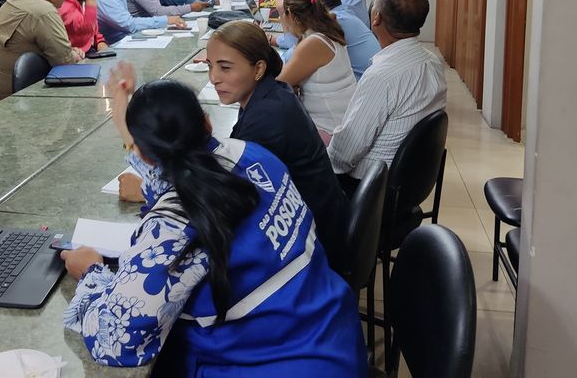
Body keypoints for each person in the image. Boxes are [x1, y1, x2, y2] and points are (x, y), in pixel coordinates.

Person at [62, 64, 365, 375]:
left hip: (273, 365)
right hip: (336, 337)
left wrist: (91, 273)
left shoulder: (173, 229)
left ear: (145, 156)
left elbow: (116, 340)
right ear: (206, 123)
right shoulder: (253, 155)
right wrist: (128, 130)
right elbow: (182, 175)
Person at [207, 21, 350, 273]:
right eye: (210, 66)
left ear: (258, 68)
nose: (213, 78)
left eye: (225, 67)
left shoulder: (266, 118)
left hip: (313, 247)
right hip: (322, 219)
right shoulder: (272, 92)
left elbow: (225, 197)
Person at [328, 0, 447, 195]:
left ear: (376, 18)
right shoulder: (432, 62)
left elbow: (344, 155)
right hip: (409, 181)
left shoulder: (382, 76)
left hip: (369, 188)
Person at [0, 0, 83, 100]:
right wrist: (74, 55)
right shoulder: (44, 11)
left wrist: (69, 52)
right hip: (22, 97)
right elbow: (65, 63)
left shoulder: (15, 0)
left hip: (3, 93)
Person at [275, 0, 356, 138]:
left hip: (331, 133)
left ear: (290, 14)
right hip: (342, 124)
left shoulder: (314, 43)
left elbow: (278, 85)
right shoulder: (327, 29)